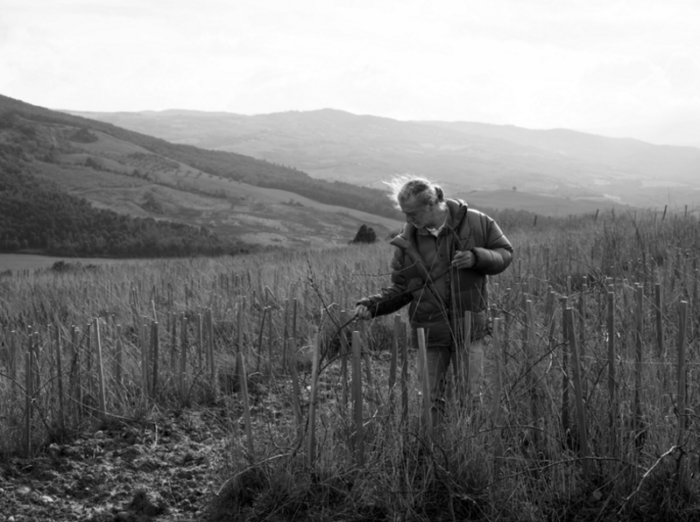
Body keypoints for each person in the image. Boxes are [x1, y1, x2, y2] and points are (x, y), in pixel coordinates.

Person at [354, 176, 513, 426]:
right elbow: (402, 288)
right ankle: (434, 452)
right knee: (431, 400)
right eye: (405, 214)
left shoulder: (478, 222)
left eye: (413, 213)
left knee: (469, 398)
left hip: (468, 328)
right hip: (428, 331)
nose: (408, 220)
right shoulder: (407, 241)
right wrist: (372, 306)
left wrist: (477, 257)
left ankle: (468, 454)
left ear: (431, 204)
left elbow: (505, 254)